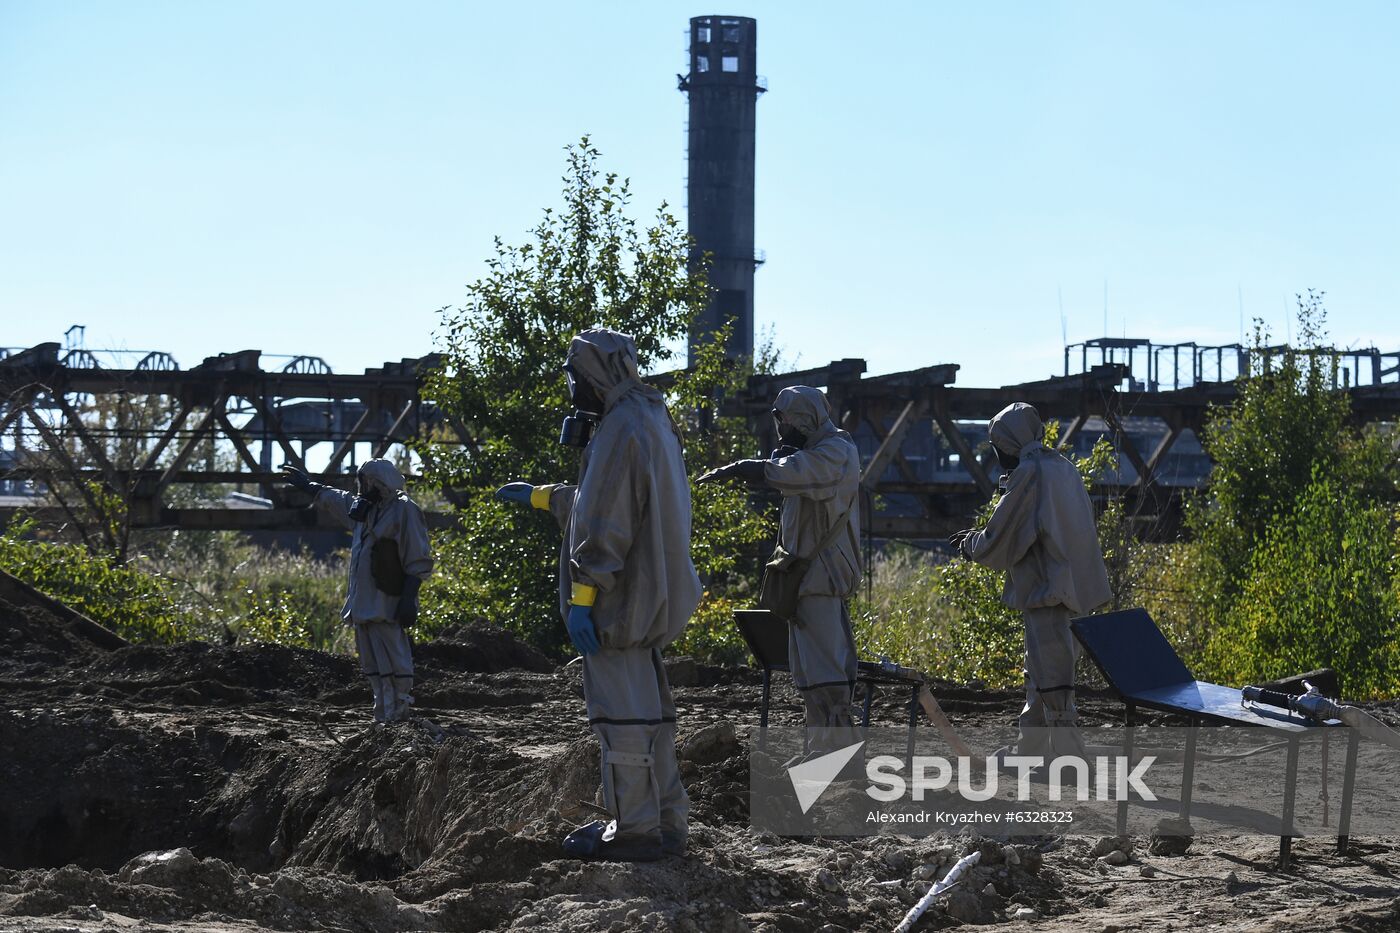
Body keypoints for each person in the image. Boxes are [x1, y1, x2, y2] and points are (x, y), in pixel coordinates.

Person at [496, 328, 701, 862]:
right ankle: (665, 823)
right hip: (650, 601)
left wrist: (584, 598)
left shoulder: (618, 428)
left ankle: (633, 830)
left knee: (623, 721)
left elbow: (605, 522)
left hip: (618, 604)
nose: (570, 385)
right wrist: (543, 497)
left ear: (593, 375)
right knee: (654, 719)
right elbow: (610, 497)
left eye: (573, 374)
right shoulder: (651, 416)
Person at [699, 385, 862, 756]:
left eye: (784, 419)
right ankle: (821, 748)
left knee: (826, 671)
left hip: (822, 576)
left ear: (803, 417)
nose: (780, 427)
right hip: (804, 579)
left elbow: (803, 473)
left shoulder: (836, 450)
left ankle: (837, 755)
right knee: (807, 673)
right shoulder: (812, 451)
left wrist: (749, 468)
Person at [950, 402, 1110, 763]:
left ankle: (1067, 760)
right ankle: (1031, 750)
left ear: (1007, 443)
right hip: (1072, 590)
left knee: (1053, 683)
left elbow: (1001, 537)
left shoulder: (1030, 473)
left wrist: (971, 545)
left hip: (1049, 590)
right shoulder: (1062, 467)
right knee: (1040, 674)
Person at [281, 458, 432, 725]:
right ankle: (382, 713)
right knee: (371, 662)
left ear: (379, 482)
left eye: (366, 481)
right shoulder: (366, 510)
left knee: (394, 657)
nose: (362, 487)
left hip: (388, 600)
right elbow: (337, 499)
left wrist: (409, 597)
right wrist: (310, 486)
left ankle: (400, 710)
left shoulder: (404, 511)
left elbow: (417, 556)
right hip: (363, 602)